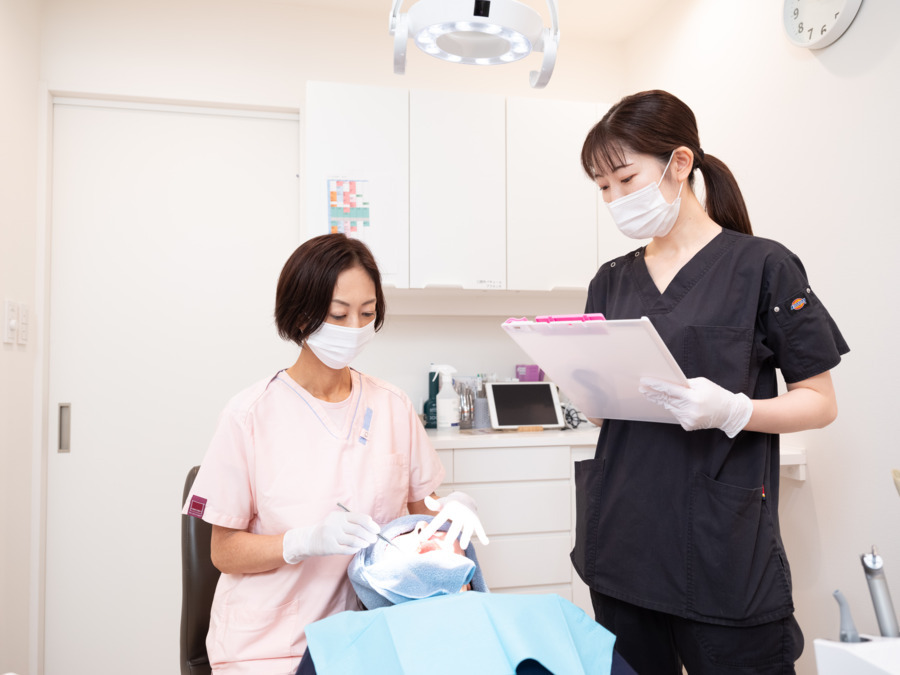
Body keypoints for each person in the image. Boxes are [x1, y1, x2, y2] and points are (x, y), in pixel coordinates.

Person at [572, 90, 848, 674]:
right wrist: (580, 384)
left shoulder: (764, 266)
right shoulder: (610, 280)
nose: (615, 200)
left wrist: (735, 410)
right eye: (603, 188)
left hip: (722, 551)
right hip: (623, 543)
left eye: (625, 179)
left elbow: (820, 402)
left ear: (679, 163)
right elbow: (603, 413)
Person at [182, 233, 487, 674]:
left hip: (374, 634)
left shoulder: (392, 406)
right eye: (339, 314)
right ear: (300, 314)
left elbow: (424, 516)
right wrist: (302, 542)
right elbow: (223, 552)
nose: (355, 329)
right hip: (273, 646)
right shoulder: (249, 415)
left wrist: (451, 513)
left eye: (367, 313)